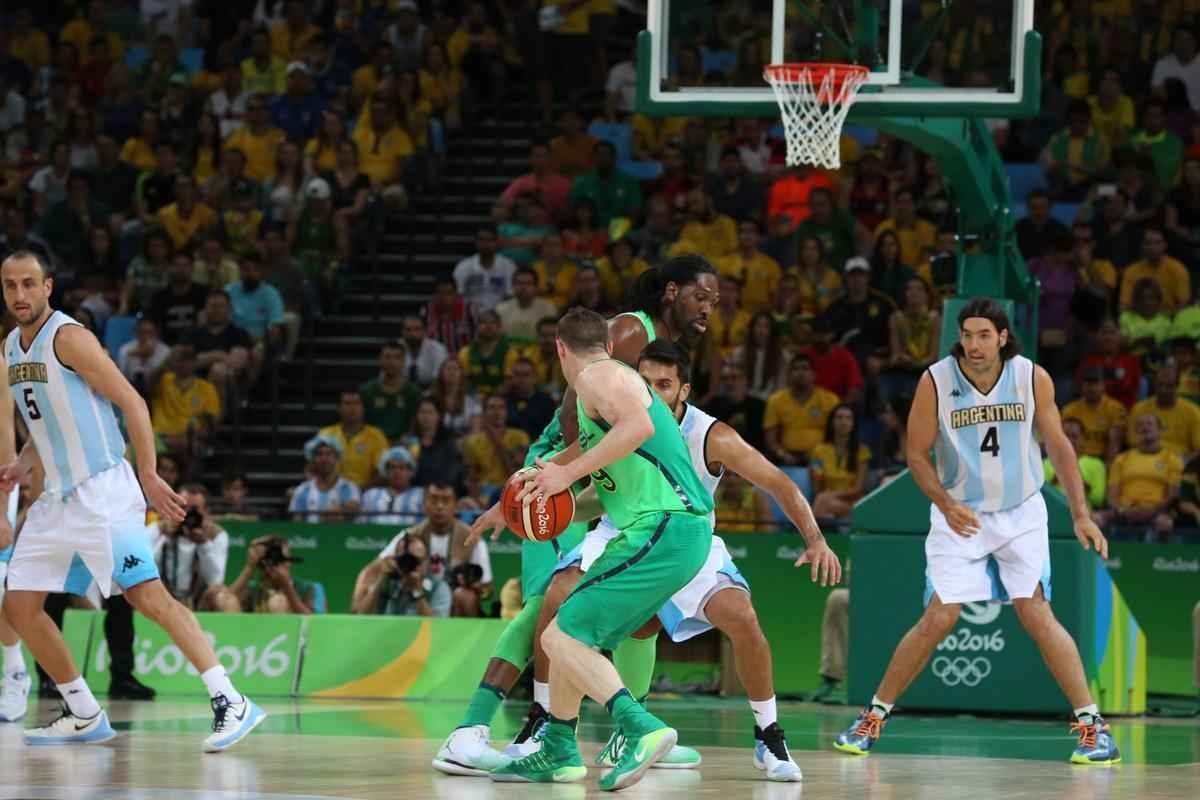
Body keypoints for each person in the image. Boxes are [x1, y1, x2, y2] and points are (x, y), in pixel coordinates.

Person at [502, 341, 840, 781]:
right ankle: (550, 727)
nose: (654, 392)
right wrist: (543, 508)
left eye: (664, 385)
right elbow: (599, 498)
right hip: (628, 534)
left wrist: (815, 538)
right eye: (646, 382)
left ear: (684, 390)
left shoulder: (710, 434)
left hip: (683, 538)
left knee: (742, 618)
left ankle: (768, 734)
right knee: (561, 606)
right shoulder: (615, 414)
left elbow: (777, 481)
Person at [833, 298, 1118, 765]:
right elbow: (917, 456)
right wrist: (945, 504)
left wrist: (1081, 513)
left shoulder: (1030, 377)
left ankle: (1093, 726)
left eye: (985, 335)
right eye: (967, 335)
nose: (974, 344)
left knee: (1036, 615)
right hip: (959, 513)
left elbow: (1060, 447)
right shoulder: (936, 381)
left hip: (1022, 511)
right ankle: (872, 718)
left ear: (1003, 337)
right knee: (938, 619)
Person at [0, 251, 264, 751]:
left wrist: (148, 474)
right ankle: (82, 710)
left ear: (48, 287)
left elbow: (133, 402)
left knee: (148, 597)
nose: (19, 295)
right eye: (10, 285)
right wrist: (23, 464)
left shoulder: (69, 337)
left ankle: (231, 698)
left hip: (103, 491)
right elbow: (50, 424)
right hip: (57, 498)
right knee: (19, 606)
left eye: (29, 284)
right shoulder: (11, 348)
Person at [486, 308, 716, 789]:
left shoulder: (599, 377)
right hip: (665, 532)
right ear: (608, 344)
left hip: (665, 527)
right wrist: (558, 501)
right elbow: (611, 484)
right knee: (567, 634)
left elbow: (640, 428)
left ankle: (641, 728)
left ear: (560, 349)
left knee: (558, 637)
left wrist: (564, 474)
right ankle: (560, 750)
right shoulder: (605, 388)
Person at [150, 484, 229, 609]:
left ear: (206, 512)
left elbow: (215, 580)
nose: (186, 514)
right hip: (162, 595)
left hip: (199, 599)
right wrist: (166, 538)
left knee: (220, 595)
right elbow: (146, 571)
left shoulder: (216, 534)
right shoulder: (157, 530)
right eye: (183, 507)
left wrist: (203, 544)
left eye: (194, 509)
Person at [351, 535, 451, 617]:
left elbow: (437, 629)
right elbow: (362, 618)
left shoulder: (438, 588)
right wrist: (380, 579)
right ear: (395, 560)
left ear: (426, 562)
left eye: (415, 561)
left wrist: (417, 592)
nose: (410, 565)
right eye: (404, 560)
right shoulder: (388, 584)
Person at [318, 390, 390, 489]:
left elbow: (382, 474)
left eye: (357, 403)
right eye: (347, 403)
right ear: (339, 408)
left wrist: (356, 492)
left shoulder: (377, 436)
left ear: (364, 408)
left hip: (365, 493)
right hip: (330, 490)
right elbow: (311, 468)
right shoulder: (325, 434)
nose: (352, 408)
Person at [288, 435, 362, 523]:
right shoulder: (302, 490)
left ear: (336, 458)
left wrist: (339, 511)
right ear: (313, 459)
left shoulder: (349, 488)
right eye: (319, 454)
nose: (324, 459)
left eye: (329, 454)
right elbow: (296, 522)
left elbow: (353, 510)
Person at [358, 447, 425, 526]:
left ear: (411, 472)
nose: (396, 471)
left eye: (401, 468)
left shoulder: (421, 495)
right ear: (385, 471)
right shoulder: (371, 495)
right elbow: (359, 525)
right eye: (392, 467)